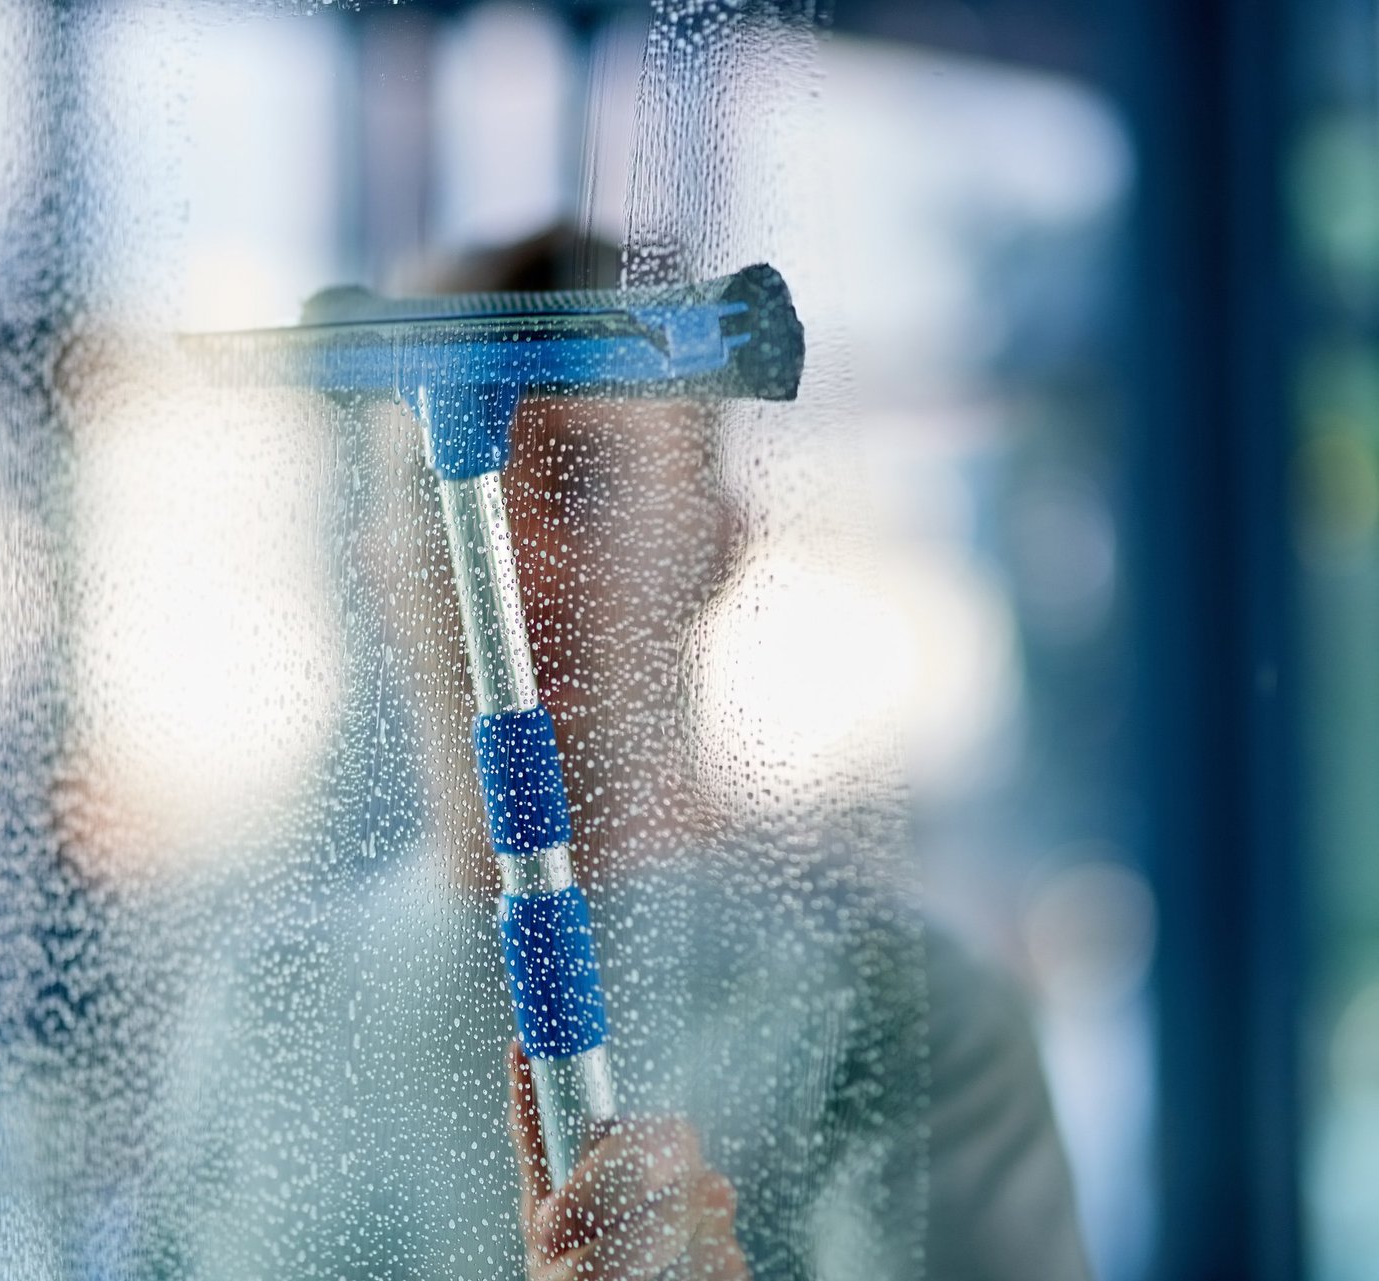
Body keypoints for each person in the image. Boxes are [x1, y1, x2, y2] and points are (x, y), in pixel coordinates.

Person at [60, 228, 1093, 1281]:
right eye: (442, 490)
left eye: (583, 486)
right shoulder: (261, 1008)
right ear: (370, 558)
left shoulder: (903, 1016)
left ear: (717, 540)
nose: (502, 565)